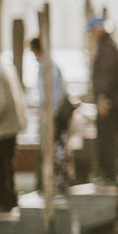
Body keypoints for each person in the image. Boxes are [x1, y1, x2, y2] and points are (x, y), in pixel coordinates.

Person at [87, 14, 118, 184]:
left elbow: (106, 75)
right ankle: (112, 174)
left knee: (106, 139)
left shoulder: (105, 49)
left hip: (108, 102)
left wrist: (103, 98)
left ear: (98, 30)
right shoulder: (114, 46)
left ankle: (109, 175)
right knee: (113, 138)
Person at [29, 36, 74, 194]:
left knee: (56, 149)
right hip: (53, 115)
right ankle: (53, 183)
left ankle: (58, 183)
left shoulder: (48, 67)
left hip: (55, 116)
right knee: (55, 149)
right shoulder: (47, 65)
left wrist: (51, 118)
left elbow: (54, 95)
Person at [0, 56, 28, 213]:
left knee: (2, 168)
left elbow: (0, 102)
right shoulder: (6, 65)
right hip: (12, 126)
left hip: (3, 129)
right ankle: (11, 199)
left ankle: (6, 202)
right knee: (7, 166)